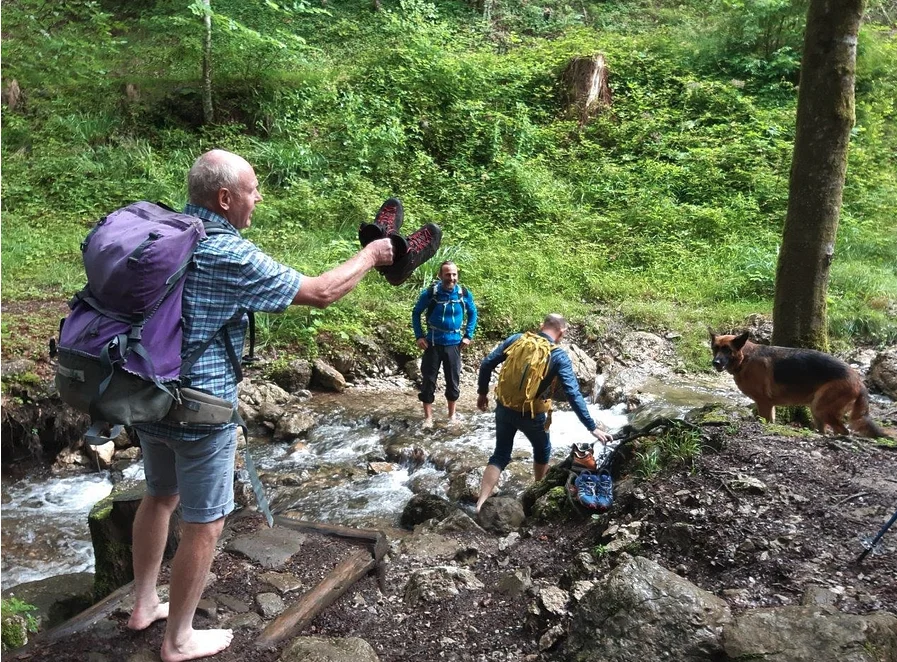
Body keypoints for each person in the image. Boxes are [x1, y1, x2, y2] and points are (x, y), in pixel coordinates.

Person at [127, 149, 394, 662]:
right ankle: (178, 639)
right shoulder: (228, 253)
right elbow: (321, 292)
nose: (260, 197)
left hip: (146, 391)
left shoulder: (164, 233)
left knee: (159, 496)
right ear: (225, 198)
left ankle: (144, 605)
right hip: (199, 407)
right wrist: (371, 256)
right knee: (205, 523)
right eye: (253, 189)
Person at [475, 313, 612, 512]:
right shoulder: (558, 356)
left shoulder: (517, 340)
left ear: (542, 325)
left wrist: (482, 393)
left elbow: (487, 363)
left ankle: (480, 504)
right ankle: (536, 494)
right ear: (562, 332)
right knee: (542, 451)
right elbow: (573, 393)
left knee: (500, 454)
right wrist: (592, 427)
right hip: (532, 415)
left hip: (504, 407)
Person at [412, 261, 478, 429]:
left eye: (454, 274)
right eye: (448, 274)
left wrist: (468, 335)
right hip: (432, 344)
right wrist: (419, 336)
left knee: (453, 381)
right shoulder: (431, 293)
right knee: (428, 381)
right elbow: (416, 312)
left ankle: (452, 415)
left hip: (454, 344)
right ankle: (428, 418)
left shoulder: (463, 293)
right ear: (440, 275)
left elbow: (473, 313)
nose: (451, 278)